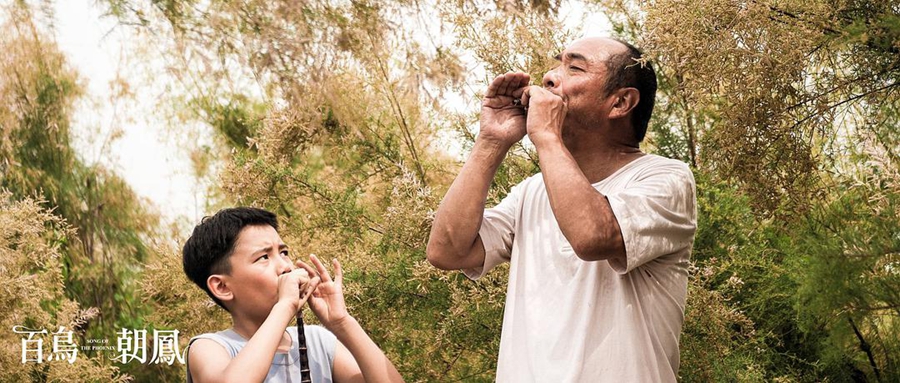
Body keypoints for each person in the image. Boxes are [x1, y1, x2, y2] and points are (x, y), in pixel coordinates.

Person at [426, 37, 697, 382]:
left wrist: (546, 136)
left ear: (621, 102)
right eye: (557, 63)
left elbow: (591, 237)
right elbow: (446, 251)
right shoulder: (531, 192)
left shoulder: (665, 179)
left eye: (574, 67)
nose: (550, 78)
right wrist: (491, 140)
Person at [182, 207, 404, 383]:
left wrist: (343, 323)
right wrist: (285, 306)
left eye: (284, 252)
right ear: (222, 287)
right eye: (264, 258)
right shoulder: (209, 348)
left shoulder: (318, 341)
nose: (285, 267)